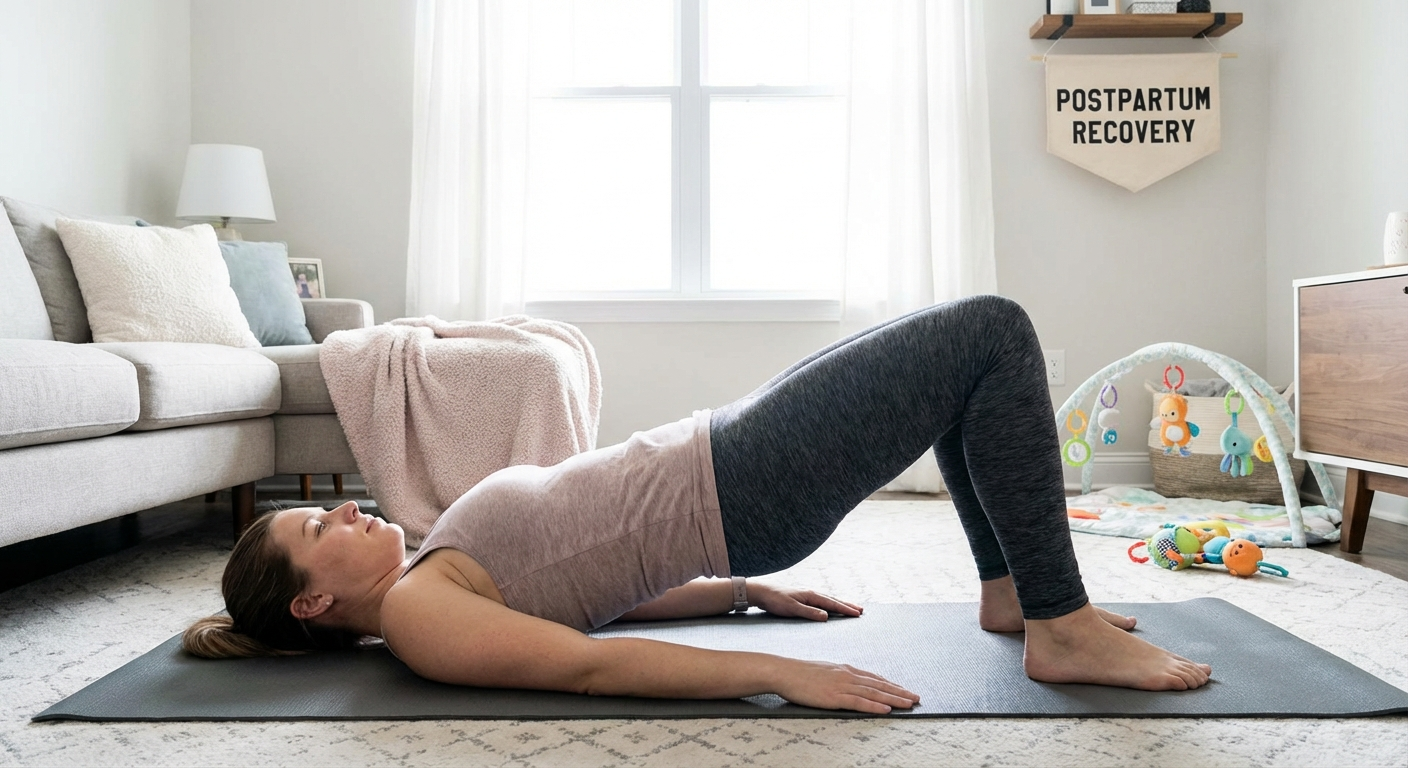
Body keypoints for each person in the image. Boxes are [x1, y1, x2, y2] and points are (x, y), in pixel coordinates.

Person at [185, 296, 1211, 713]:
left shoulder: (429, 583)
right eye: (322, 531)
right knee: (990, 333)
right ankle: (1059, 625)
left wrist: (742, 595)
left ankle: (1009, 594)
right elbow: (591, 663)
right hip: (739, 478)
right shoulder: (417, 619)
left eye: (330, 508)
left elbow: (586, 600)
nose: (349, 511)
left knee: (955, 370)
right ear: (313, 605)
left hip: (726, 456)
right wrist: (773, 675)